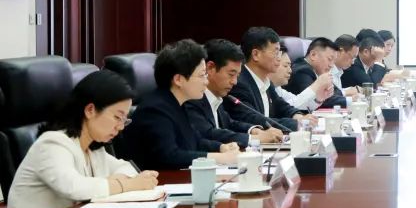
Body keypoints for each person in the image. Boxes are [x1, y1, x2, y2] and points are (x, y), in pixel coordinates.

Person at [4, 71, 159, 208]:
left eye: (124, 120)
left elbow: (127, 168)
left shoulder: (93, 149)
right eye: (117, 117)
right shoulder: (52, 144)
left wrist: (119, 181)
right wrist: (125, 185)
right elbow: (73, 187)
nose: (120, 127)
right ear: (90, 110)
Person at [123, 40, 241, 170]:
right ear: (178, 79)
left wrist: (221, 147)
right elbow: (170, 156)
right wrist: (220, 158)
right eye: (202, 75)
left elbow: (195, 140)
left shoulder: (177, 103)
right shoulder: (155, 110)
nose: (206, 82)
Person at [185, 39, 285, 150]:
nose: (235, 82)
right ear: (210, 68)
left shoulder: (217, 96)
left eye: (237, 75)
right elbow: (208, 133)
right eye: (231, 74)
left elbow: (229, 123)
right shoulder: (192, 98)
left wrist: (253, 130)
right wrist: (253, 139)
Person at [232, 26, 306, 131]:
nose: (279, 58)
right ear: (256, 54)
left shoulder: (266, 81)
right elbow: (255, 120)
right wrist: (297, 124)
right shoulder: (239, 84)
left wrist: (297, 116)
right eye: (275, 52)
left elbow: (281, 106)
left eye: (279, 53)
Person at [287, 37, 347, 108]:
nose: (331, 65)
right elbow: (318, 99)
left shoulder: (319, 71)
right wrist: (350, 101)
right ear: (313, 55)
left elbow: (335, 91)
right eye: (329, 59)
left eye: (334, 61)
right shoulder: (302, 72)